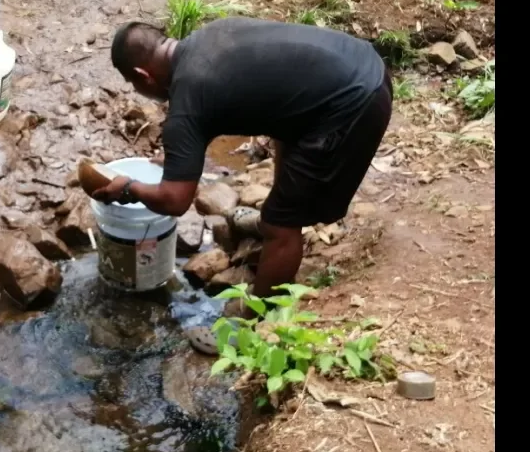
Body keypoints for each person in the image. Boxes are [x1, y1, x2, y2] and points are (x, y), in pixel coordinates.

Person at [92, 17, 393, 317]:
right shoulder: (210, 36)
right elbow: (277, 111)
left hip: (355, 104)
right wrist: (176, 162)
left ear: (143, 75)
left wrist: (128, 188)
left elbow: (175, 200)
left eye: (133, 85)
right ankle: (272, 220)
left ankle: (252, 319)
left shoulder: (188, 100)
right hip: (364, 64)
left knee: (282, 225)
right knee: (287, 136)